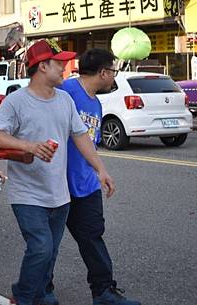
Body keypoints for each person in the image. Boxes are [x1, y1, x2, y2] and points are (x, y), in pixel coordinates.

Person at [0, 39, 115, 305]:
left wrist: (100, 169)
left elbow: (81, 136)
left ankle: (42, 294)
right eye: (59, 64)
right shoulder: (16, 101)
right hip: (27, 194)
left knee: (50, 252)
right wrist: (29, 146)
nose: (65, 69)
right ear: (42, 66)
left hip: (59, 193)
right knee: (41, 248)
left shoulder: (64, 100)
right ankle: (22, 296)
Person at [57, 49, 140, 305]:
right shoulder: (66, 92)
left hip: (86, 184)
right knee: (46, 244)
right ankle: (38, 289)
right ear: (104, 72)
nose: (114, 76)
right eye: (113, 71)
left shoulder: (96, 103)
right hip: (58, 185)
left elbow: (89, 144)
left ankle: (103, 291)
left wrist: (100, 171)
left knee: (93, 235)